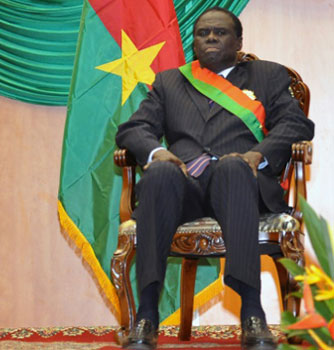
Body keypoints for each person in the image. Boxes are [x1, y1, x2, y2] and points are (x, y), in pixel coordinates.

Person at [115, 7, 314, 350]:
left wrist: (257, 155)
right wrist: (157, 153)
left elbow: (296, 125)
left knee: (234, 168)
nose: (209, 38)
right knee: (160, 172)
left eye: (219, 33)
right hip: (184, 185)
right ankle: (147, 316)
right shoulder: (169, 81)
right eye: (202, 33)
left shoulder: (268, 76)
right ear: (194, 41)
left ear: (238, 41)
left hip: (239, 182)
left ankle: (253, 314)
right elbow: (133, 129)